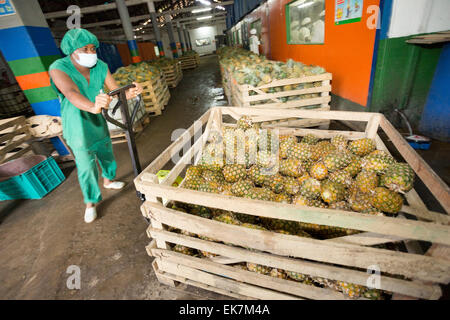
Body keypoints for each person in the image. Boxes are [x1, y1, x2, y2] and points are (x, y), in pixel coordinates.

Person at [49, 29, 143, 223]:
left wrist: (129, 93)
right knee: (86, 166)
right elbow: (70, 92)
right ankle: (90, 203)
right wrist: (92, 106)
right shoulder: (59, 67)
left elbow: (115, 90)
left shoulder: (100, 66)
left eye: (93, 48)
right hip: (77, 124)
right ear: (72, 50)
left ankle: (108, 180)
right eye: (85, 49)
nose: (91, 53)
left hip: (97, 120)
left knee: (106, 152)